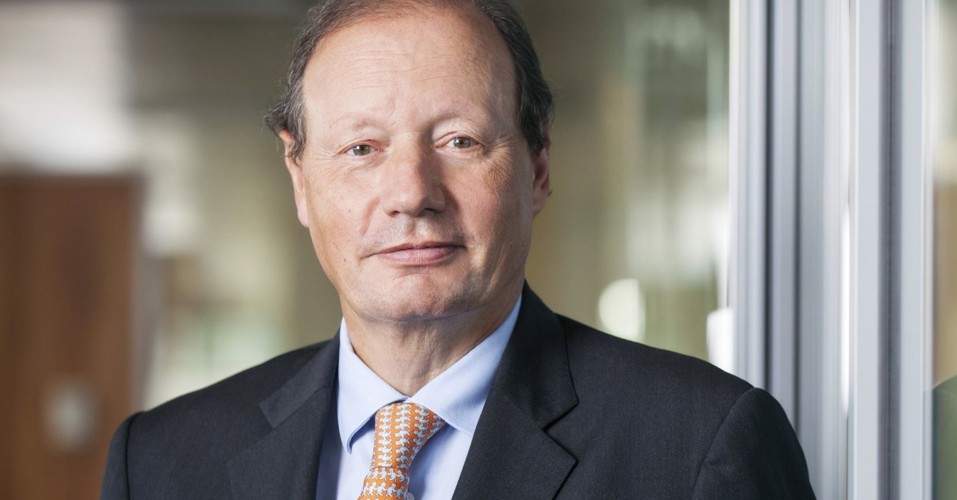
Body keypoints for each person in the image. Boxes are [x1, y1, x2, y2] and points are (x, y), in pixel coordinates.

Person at [101, 0, 815, 498]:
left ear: (537, 168)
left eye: (460, 142)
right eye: (361, 148)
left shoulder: (700, 447)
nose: (412, 192)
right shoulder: (162, 463)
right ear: (299, 182)